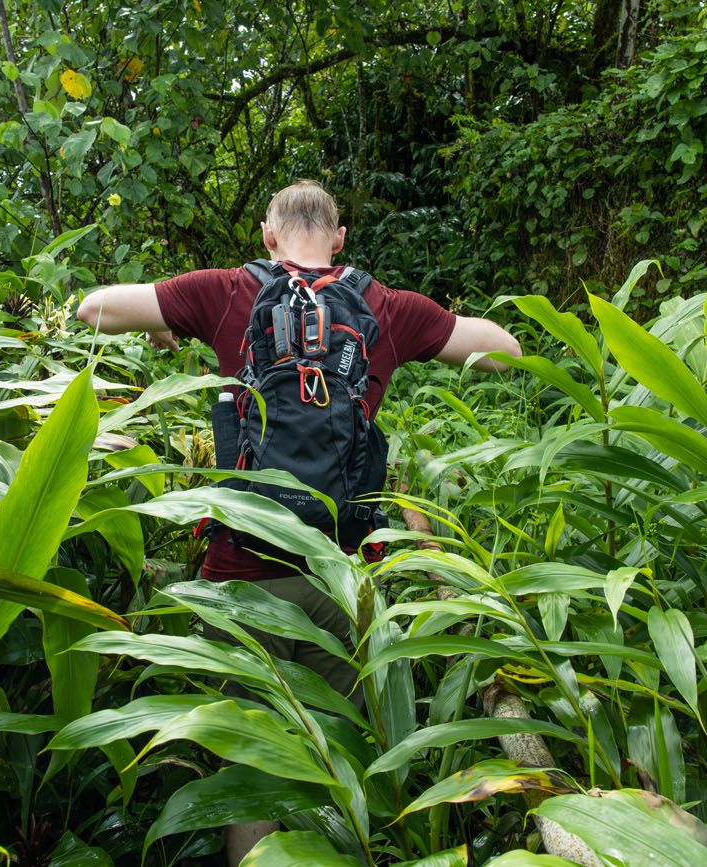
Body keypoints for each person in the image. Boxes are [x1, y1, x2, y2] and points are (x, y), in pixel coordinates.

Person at [76, 179, 520, 864]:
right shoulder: (386, 307)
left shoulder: (225, 292)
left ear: (267, 235)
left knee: (253, 770)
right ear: (339, 237)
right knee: (333, 756)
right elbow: (503, 350)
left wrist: (167, 321)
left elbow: (94, 309)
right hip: (343, 579)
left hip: (243, 578)